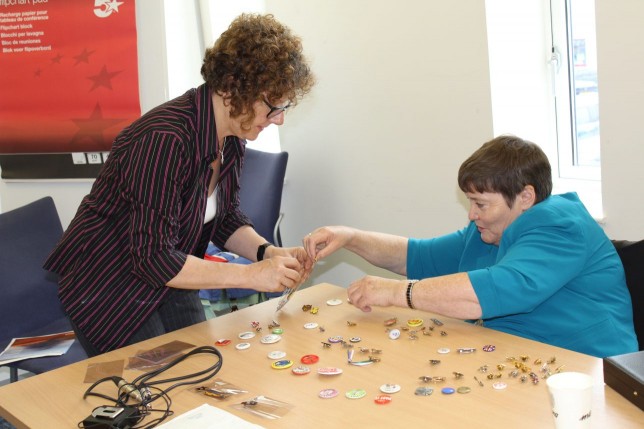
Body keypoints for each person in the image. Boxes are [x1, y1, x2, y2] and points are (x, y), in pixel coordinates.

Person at [44, 14, 315, 356]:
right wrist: (252, 276)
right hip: (108, 287)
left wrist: (267, 253)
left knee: (199, 365)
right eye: (274, 107)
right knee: (156, 391)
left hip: (170, 275)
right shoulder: (164, 139)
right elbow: (153, 258)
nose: (279, 119)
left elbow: (225, 218)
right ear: (234, 88)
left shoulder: (231, 135)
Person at [303, 135, 638, 358]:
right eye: (470, 202)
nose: (472, 214)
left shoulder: (560, 225)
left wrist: (396, 293)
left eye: (481, 203)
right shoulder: (488, 228)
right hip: (515, 357)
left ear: (525, 197)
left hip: (588, 373)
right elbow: (417, 255)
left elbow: (499, 289)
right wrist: (350, 236)